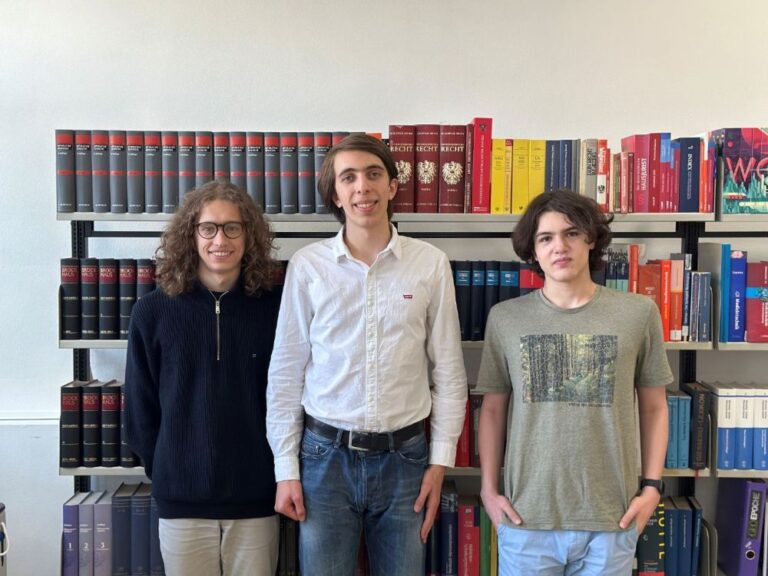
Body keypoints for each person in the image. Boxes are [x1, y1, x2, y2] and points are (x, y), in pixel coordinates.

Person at [266, 134, 468, 575]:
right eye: (349, 177)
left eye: (374, 174)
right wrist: (286, 469)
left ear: (392, 186)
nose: (363, 187)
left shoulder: (430, 263)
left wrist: (440, 463)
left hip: (405, 460)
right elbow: (286, 372)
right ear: (335, 194)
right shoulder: (308, 266)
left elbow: (450, 371)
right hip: (323, 459)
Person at [477, 189, 671, 575]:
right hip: (526, 519)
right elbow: (493, 409)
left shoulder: (638, 313)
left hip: (611, 518)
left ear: (591, 239)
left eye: (571, 233)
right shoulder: (505, 318)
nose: (559, 247)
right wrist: (487, 489)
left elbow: (654, 407)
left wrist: (652, 487)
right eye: (545, 238)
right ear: (533, 251)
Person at [125, 181, 281, 576]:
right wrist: (167, 469)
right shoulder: (152, 312)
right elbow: (140, 410)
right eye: (208, 228)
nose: (220, 240)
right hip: (181, 501)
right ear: (190, 235)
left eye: (233, 228)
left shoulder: (276, 310)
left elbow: (289, 400)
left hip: (256, 497)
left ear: (249, 236)